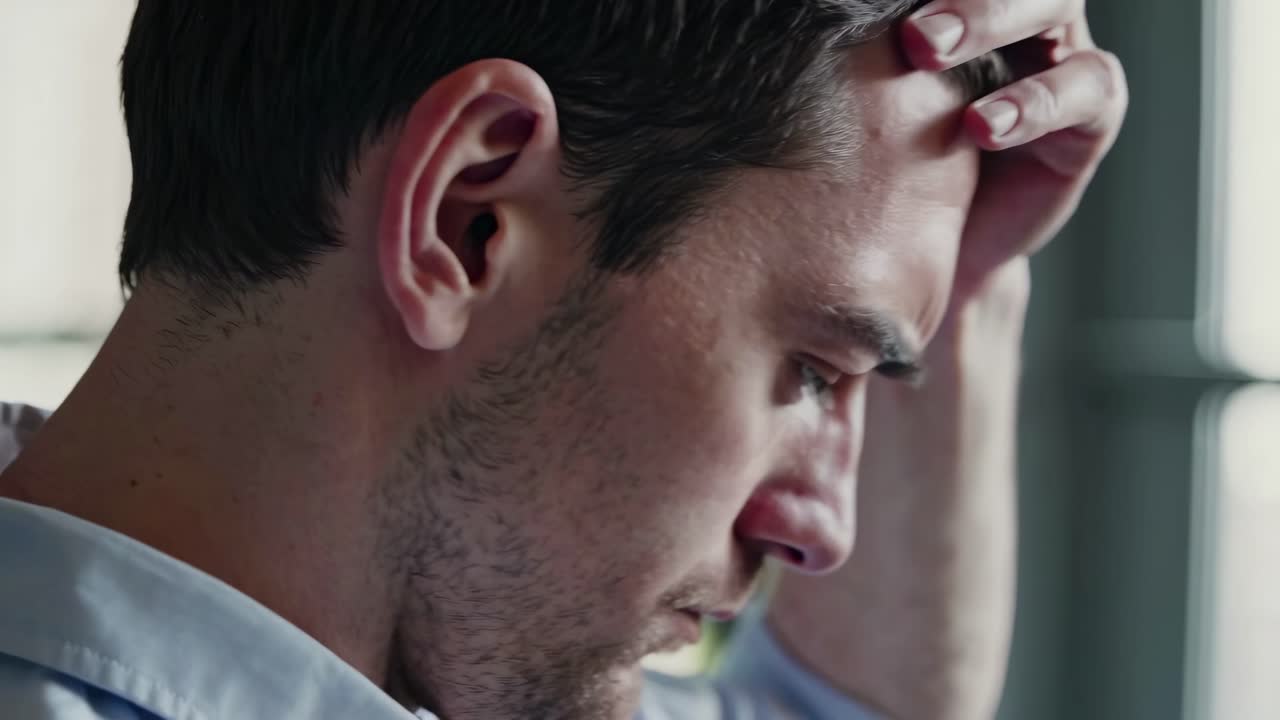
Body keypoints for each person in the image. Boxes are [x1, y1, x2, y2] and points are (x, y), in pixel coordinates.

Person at [0, 0, 1127, 718]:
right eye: (811, 371)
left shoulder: (489, 651)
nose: (820, 529)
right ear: (467, 221)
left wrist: (961, 278)